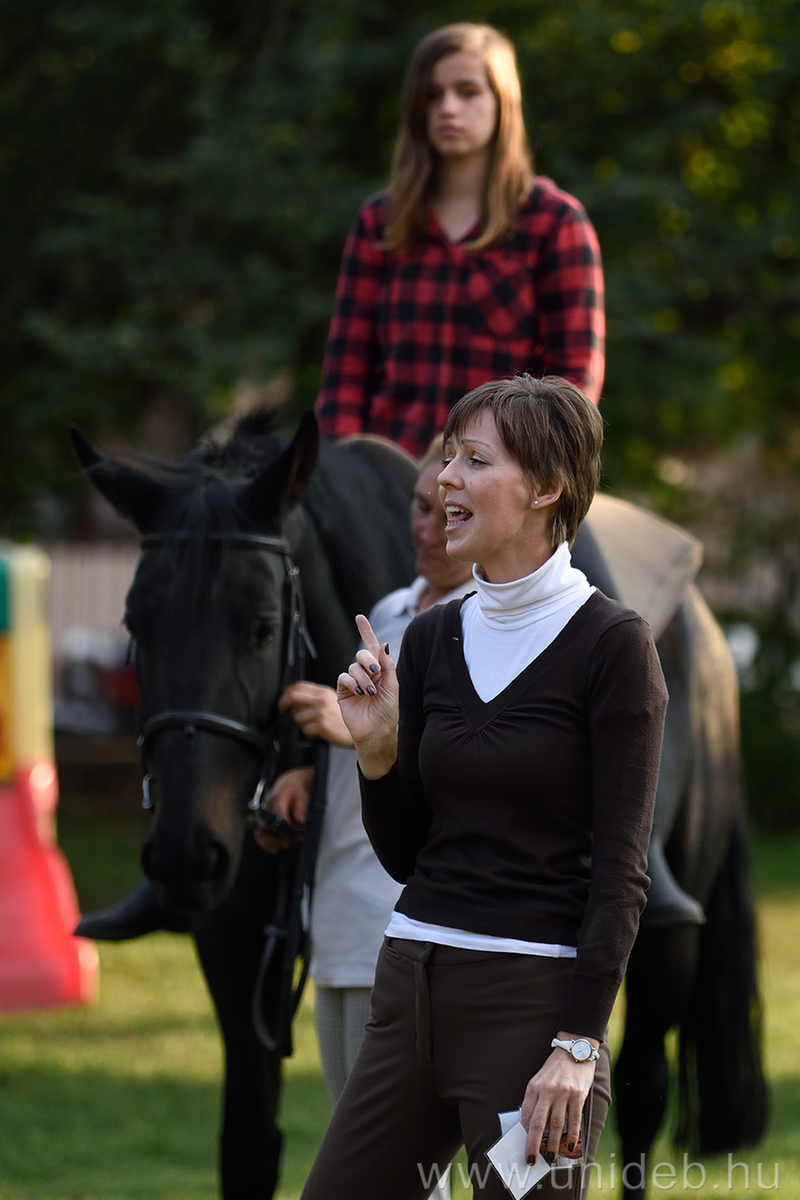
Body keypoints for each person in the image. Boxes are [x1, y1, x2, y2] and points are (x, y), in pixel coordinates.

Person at [298, 374, 668, 1200]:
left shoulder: (614, 646)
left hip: (530, 1017)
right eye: (446, 459)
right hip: (409, 991)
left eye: (473, 460)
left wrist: (576, 1045)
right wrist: (377, 751)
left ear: (546, 487)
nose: (443, 481)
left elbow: (622, 871)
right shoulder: (430, 638)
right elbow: (408, 857)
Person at [256, 439, 475, 1108]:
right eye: (420, 507)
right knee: (353, 1138)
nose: (429, 531)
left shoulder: (480, 621)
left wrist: (347, 723)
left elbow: (463, 760)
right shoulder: (388, 611)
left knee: (391, 1151)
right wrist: (312, 779)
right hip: (341, 913)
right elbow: (375, 762)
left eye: (450, 514)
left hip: (400, 919)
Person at [314, 22, 605, 459]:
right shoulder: (380, 221)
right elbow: (345, 369)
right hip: (387, 473)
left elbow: (574, 381)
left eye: (468, 92)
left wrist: (525, 468)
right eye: (433, 95)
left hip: (500, 470)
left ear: (503, 102)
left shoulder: (554, 221)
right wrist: (340, 471)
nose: (448, 108)